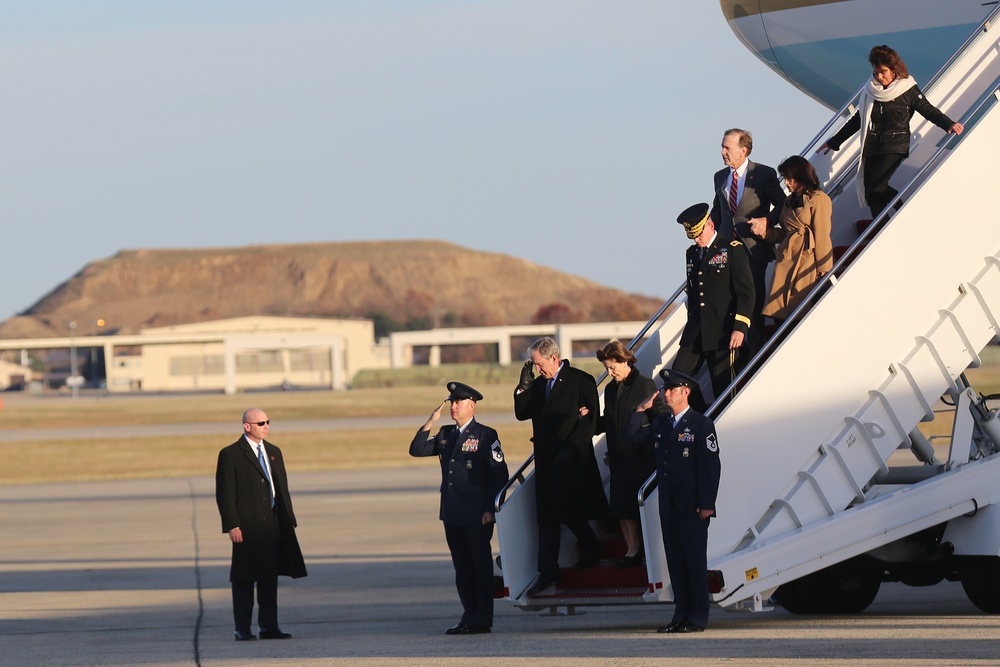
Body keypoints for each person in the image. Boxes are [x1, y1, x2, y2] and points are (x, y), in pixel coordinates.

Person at [624, 369, 721, 634]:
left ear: (685, 392)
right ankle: (681, 614)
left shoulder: (701, 424)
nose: (666, 394)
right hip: (668, 506)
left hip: (693, 507)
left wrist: (706, 503)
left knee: (694, 562)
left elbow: (710, 467)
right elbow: (630, 440)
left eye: (672, 389)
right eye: (665, 389)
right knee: (676, 564)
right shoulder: (661, 424)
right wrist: (641, 410)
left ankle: (698, 616)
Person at [818, 44, 964, 218]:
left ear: (894, 70)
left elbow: (928, 110)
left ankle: (904, 210)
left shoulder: (907, 89)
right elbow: (859, 119)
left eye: (883, 72)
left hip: (895, 145)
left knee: (878, 185)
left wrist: (949, 124)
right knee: (870, 192)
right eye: (875, 73)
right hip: (873, 146)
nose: (879, 77)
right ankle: (879, 228)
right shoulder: (870, 90)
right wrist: (835, 141)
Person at [409, 381, 508, 635]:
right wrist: (430, 422)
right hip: (452, 512)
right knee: (462, 569)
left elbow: (499, 475)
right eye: (452, 402)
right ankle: (468, 615)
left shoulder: (486, 435)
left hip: (477, 514)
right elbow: (417, 450)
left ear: (471, 405)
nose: (453, 406)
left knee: (479, 567)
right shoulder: (445, 434)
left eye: (458, 402)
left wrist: (490, 509)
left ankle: (482, 619)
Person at [514, 336, 607, 595]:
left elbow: (590, 423)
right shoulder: (539, 384)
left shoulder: (581, 380)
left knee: (569, 510)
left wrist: (571, 446)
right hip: (546, 458)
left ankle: (590, 547)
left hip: (572, 458)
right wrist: (522, 386)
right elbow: (522, 413)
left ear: (554, 358)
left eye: (539, 363)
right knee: (547, 517)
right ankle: (548, 571)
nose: (537, 368)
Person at [216, 408, 307, 641]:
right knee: (244, 578)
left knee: (269, 577)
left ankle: (269, 627)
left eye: (268, 422)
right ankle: (242, 628)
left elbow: (282, 489)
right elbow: (225, 494)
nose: (266, 426)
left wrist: (288, 520)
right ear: (247, 426)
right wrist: (232, 525)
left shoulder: (274, 451)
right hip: (247, 526)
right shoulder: (231, 454)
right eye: (261, 423)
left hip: (273, 525)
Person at [710, 128, 786, 354]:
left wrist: (766, 220)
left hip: (753, 249)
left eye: (727, 148)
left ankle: (756, 357)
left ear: (743, 150)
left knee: (751, 305)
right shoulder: (719, 177)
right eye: (722, 147)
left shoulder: (763, 174)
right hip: (725, 250)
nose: (722, 152)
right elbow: (719, 211)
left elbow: (782, 204)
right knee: (729, 305)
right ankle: (738, 357)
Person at [672, 203, 756, 405]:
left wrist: (740, 327)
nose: (696, 239)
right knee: (676, 379)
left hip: (723, 332)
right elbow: (694, 294)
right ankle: (701, 417)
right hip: (697, 331)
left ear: (710, 224)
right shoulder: (692, 254)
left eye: (699, 234)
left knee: (724, 390)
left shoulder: (731, 249)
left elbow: (746, 292)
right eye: (692, 236)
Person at [592, 340, 664, 567]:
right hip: (618, 457)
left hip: (641, 458)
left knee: (640, 507)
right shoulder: (610, 390)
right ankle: (632, 550)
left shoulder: (644, 385)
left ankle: (648, 551)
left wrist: (644, 436)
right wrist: (589, 419)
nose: (609, 372)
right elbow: (610, 420)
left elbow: (659, 417)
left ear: (625, 362)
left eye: (612, 367)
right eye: (606, 368)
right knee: (622, 508)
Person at [749, 155, 834, 326]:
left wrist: (825, 268)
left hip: (808, 262)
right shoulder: (788, 202)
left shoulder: (819, 199)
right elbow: (785, 234)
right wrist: (763, 233)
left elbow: (822, 234)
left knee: (799, 312)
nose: (786, 183)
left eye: (790, 179)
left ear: (801, 176)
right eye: (785, 179)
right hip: (786, 261)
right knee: (777, 310)